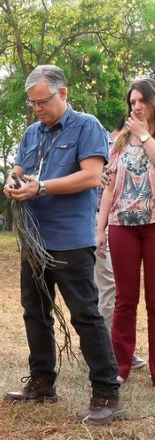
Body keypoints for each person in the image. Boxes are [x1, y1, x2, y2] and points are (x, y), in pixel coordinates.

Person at [3, 65, 123, 424]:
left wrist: (41, 187)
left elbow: (90, 176)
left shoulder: (86, 126)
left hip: (71, 239)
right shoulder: (31, 133)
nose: (38, 108)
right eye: (33, 103)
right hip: (34, 238)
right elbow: (20, 170)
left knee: (85, 315)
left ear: (63, 93)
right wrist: (14, 182)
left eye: (43, 101)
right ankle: (41, 383)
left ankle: (107, 394)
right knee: (34, 312)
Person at [97, 78, 155, 385]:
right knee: (124, 300)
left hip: (154, 228)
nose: (136, 107)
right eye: (132, 103)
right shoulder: (119, 142)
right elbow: (107, 190)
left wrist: (144, 135)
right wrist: (100, 229)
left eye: (141, 101)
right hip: (122, 228)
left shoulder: (147, 135)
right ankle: (120, 368)